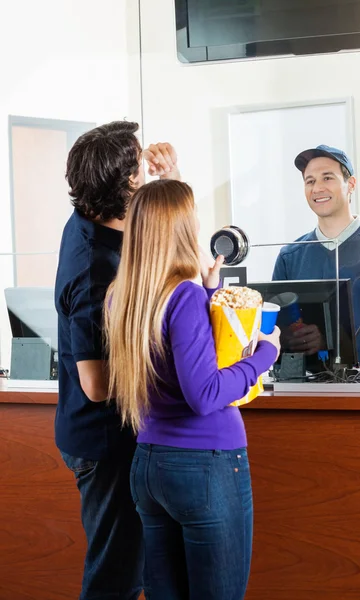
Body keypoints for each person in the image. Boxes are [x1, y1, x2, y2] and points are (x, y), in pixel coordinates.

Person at [104, 178, 280, 600]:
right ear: (182, 227)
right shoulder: (182, 295)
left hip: (149, 466)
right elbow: (204, 393)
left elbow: (177, 354)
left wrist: (209, 293)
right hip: (205, 465)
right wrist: (263, 357)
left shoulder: (122, 297)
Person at [54, 120, 180, 600]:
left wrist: (165, 182)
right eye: (138, 161)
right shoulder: (93, 270)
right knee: (117, 577)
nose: (146, 163)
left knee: (135, 567)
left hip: (107, 435)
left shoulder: (91, 216)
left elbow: (152, 233)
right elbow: (98, 383)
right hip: (102, 441)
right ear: (126, 183)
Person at [272, 144, 360, 361]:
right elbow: (277, 336)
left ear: (351, 184)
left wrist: (331, 342)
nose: (317, 188)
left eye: (327, 178)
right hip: (304, 389)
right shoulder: (290, 256)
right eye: (310, 181)